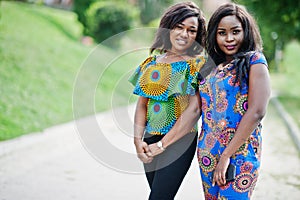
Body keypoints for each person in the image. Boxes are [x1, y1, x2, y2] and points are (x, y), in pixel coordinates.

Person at [128, 2, 207, 199]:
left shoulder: (197, 64)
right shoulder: (152, 63)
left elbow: (194, 110)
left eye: (191, 30)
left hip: (180, 142)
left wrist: (162, 145)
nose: (184, 34)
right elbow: (142, 105)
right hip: (150, 138)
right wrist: (138, 141)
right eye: (179, 27)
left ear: (197, 35)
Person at [197, 3, 271, 199]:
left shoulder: (254, 61)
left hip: (240, 153)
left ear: (245, 32)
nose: (229, 38)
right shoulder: (209, 68)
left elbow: (257, 111)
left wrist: (226, 155)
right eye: (222, 33)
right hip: (208, 152)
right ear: (214, 34)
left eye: (235, 31)